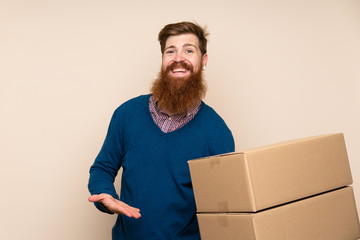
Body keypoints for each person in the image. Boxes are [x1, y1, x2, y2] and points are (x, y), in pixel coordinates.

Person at [88, 21, 235, 240]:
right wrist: (107, 197)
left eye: (189, 50)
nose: (178, 58)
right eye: (170, 51)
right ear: (163, 60)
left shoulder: (217, 132)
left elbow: (222, 206)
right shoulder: (127, 114)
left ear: (203, 60)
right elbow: (102, 168)